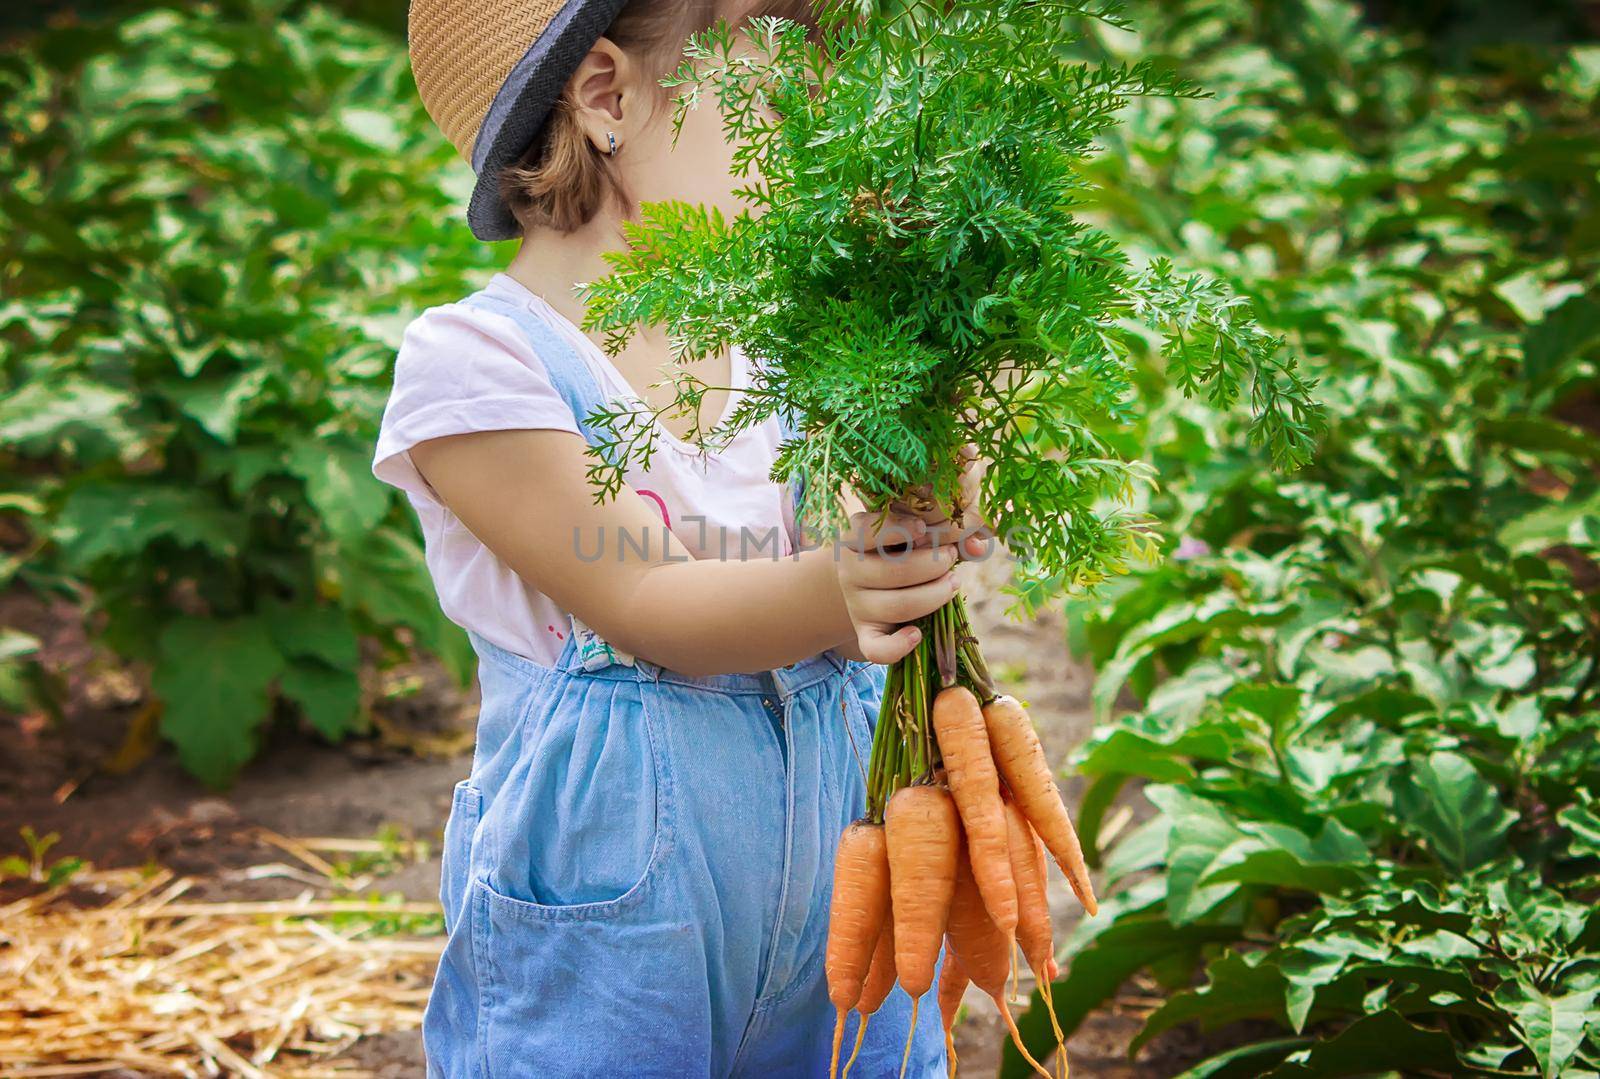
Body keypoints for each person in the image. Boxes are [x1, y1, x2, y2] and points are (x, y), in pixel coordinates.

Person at [375, 2, 980, 1074]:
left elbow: (851, 579)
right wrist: (847, 589)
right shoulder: (479, 364)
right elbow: (653, 607)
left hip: (839, 882)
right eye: (783, 86)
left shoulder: (781, 347)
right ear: (606, 96)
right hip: (620, 933)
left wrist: (926, 494)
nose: (821, 122)